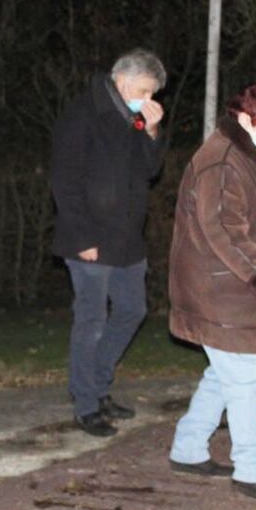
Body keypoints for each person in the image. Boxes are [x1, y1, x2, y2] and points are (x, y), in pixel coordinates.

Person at [166, 78, 256, 504]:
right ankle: (253, 470)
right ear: (242, 117)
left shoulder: (254, 158)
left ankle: (188, 450)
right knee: (247, 377)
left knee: (224, 374)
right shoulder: (221, 160)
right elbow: (224, 230)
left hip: (237, 285)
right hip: (217, 288)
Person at [50, 49, 168, 437]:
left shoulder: (132, 119)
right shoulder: (84, 114)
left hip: (126, 240)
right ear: (123, 80)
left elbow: (149, 170)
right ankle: (86, 403)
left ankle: (98, 387)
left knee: (132, 310)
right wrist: (82, 236)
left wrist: (151, 132)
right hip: (89, 240)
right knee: (91, 320)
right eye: (145, 91)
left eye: (153, 94)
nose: (148, 100)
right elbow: (63, 181)